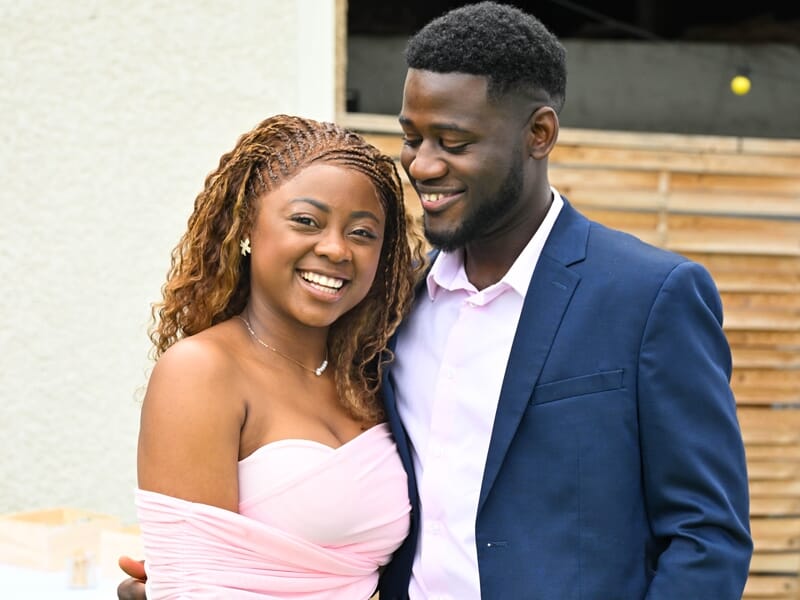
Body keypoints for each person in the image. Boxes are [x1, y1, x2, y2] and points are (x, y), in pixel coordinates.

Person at [120, 2, 753, 598]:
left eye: (453, 141)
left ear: (538, 133)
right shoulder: (392, 307)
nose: (422, 166)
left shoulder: (649, 297)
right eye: (412, 137)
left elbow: (707, 536)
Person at [125, 114, 424, 599]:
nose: (336, 249)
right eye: (306, 221)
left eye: (362, 233)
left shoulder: (373, 376)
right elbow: (193, 589)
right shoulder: (202, 371)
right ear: (247, 226)